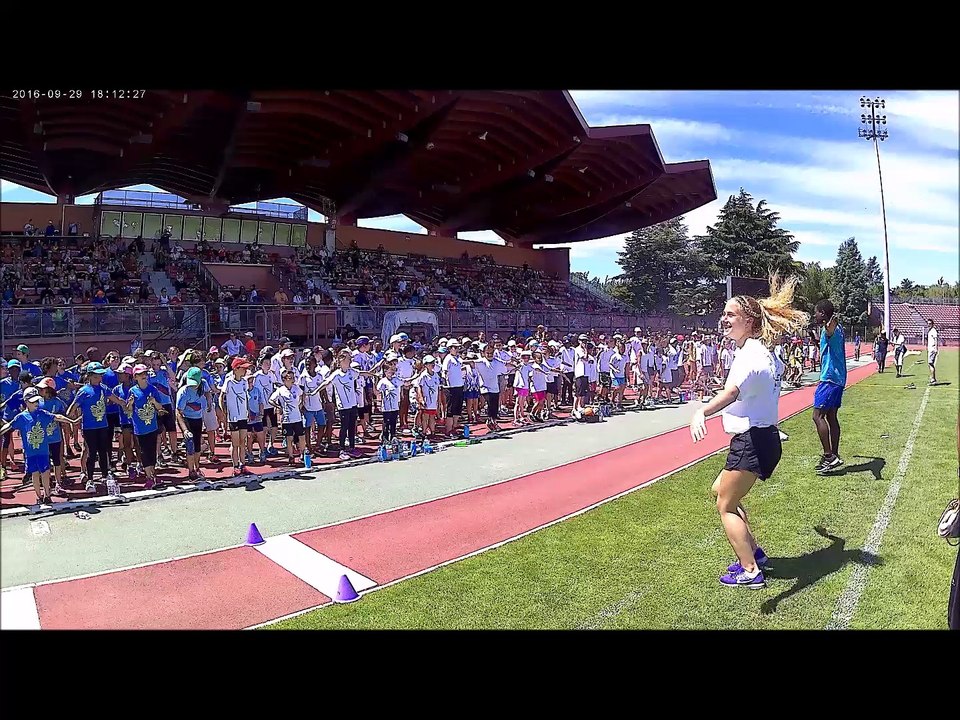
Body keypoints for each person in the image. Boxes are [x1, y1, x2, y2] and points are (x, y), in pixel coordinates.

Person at [690, 275, 808, 588]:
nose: (724, 319)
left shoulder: (750, 357)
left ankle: (751, 570)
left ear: (749, 321)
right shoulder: (761, 352)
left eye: (731, 314)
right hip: (762, 438)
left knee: (725, 505)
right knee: (720, 490)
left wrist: (702, 411)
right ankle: (755, 553)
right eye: (724, 313)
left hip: (753, 441)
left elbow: (731, 393)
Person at [0, 388, 79, 505]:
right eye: (33, 402)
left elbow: (57, 417)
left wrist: (71, 421)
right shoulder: (21, 417)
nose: (36, 403)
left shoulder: (42, 414)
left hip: (43, 451)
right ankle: (39, 496)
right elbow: (8, 426)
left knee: (45, 473)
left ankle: (47, 495)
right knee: (35, 474)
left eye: (37, 401)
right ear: (26, 402)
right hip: (30, 453)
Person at [810, 299, 846, 474]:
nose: (814, 315)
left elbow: (830, 328)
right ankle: (834, 455)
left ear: (823, 314)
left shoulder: (831, 328)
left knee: (817, 416)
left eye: (816, 312)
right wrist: (815, 339)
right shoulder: (836, 331)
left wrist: (831, 321)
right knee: (831, 417)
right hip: (838, 379)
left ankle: (829, 456)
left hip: (830, 378)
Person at [927, 319, 939, 385]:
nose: (929, 325)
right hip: (930, 349)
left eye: (930, 323)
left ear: (932, 324)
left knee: (930, 364)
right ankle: (932, 378)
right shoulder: (930, 331)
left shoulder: (933, 331)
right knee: (930, 364)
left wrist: (936, 348)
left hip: (932, 349)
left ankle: (933, 379)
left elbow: (936, 340)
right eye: (928, 323)